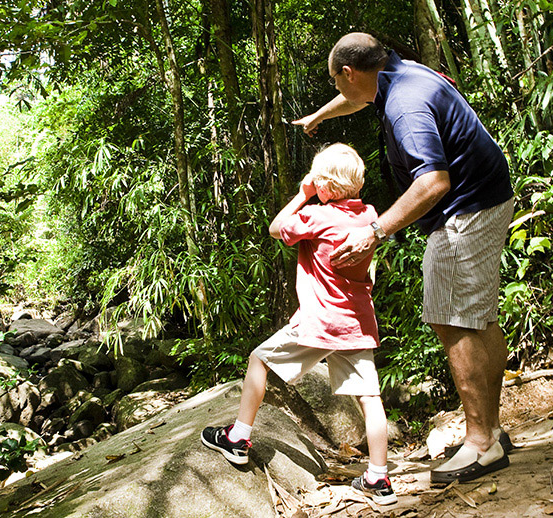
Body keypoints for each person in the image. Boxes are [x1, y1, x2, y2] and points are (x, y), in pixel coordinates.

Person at [292, 32, 515, 485]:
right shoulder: (400, 73)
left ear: (349, 73)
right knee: (478, 317)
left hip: (464, 211)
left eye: (337, 85)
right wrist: (320, 115)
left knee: (453, 320)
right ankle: (491, 430)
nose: (340, 94)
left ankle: (481, 444)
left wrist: (375, 231)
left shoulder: (405, 105)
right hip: (489, 197)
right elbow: (354, 100)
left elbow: (433, 182)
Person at [200, 143, 397, 506]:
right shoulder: (370, 215)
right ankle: (379, 479)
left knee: (259, 359)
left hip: (319, 321)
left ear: (324, 185)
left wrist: (302, 194)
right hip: (355, 324)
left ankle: (238, 437)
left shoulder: (318, 216)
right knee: (370, 399)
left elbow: (276, 228)